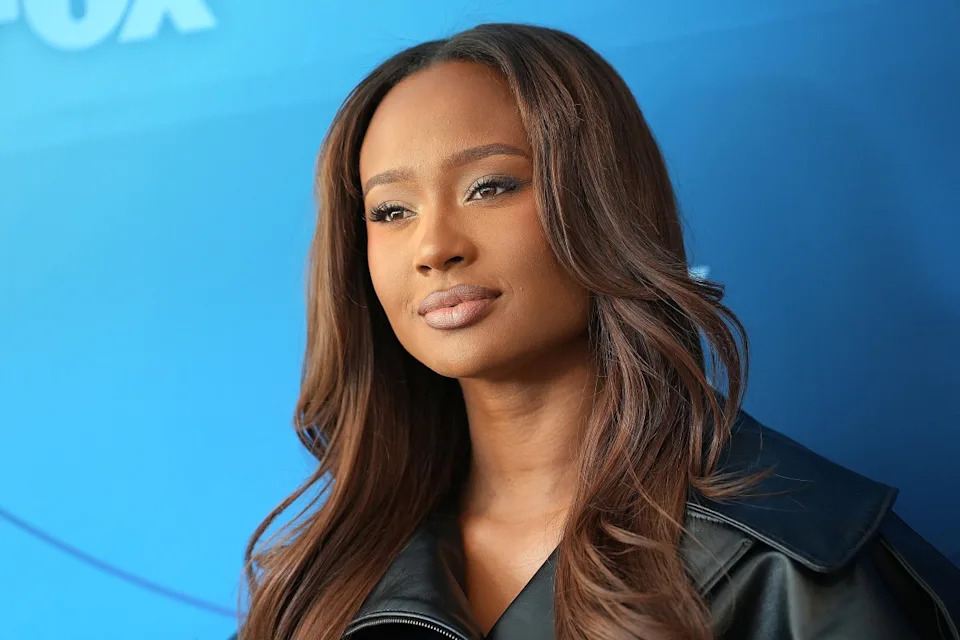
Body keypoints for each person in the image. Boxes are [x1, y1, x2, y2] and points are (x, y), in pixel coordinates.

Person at [232, 22, 959, 640]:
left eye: (491, 187)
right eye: (391, 212)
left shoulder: (793, 564)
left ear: (604, 204)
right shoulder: (318, 579)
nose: (433, 247)